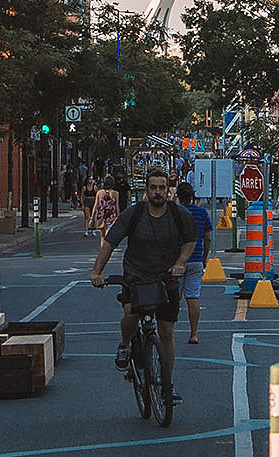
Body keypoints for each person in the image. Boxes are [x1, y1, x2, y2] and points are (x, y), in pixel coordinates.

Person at [90, 170, 196, 406]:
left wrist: (180, 263)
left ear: (168, 190)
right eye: (153, 188)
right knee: (131, 314)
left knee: (166, 331)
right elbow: (110, 243)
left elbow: (191, 239)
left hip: (166, 277)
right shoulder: (134, 213)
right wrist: (96, 271)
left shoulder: (178, 214)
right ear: (146, 191)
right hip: (136, 275)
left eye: (162, 188)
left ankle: (167, 384)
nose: (158, 192)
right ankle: (126, 344)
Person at [176, 181, 214, 345]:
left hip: (176, 261)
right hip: (196, 258)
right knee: (193, 297)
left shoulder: (174, 213)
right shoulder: (201, 213)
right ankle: (194, 333)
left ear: (178, 196)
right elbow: (208, 237)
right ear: (192, 196)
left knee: (171, 299)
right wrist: (204, 257)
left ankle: (168, 331)